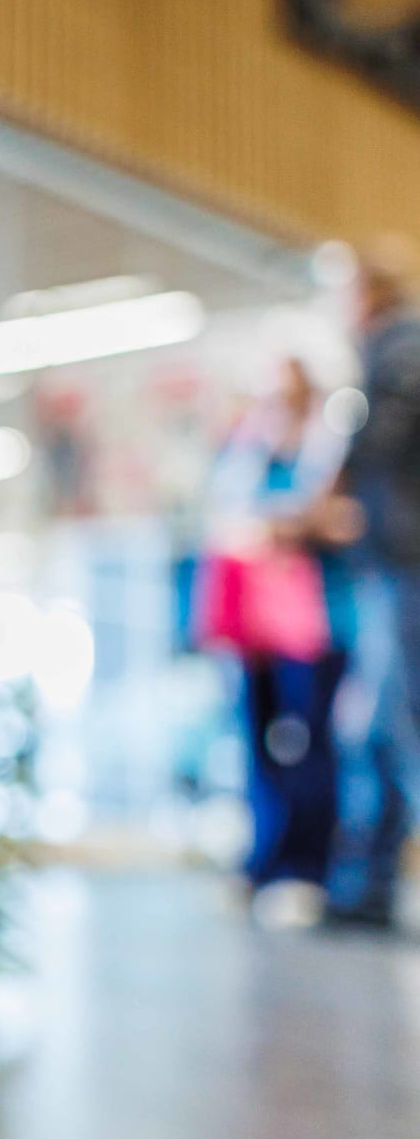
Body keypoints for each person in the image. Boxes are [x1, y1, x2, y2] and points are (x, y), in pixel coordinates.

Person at [205, 357, 354, 925]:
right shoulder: (248, 454)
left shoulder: (330, 450)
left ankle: (307, 868)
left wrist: (295, 526)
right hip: (254, 628)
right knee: (258, 744)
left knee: (309, 744)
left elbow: (344, 522)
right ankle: (263, 861)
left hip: (316, 626)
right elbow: (224, 517)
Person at [322, 238, 420, 926]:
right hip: (392, 563)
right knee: (379, 727)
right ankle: (366, 887)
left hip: (403, 564)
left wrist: (334, 495)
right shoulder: (387, 352)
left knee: (393, 725)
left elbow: (381, 445)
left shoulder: (399, 350)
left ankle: (368, 886)